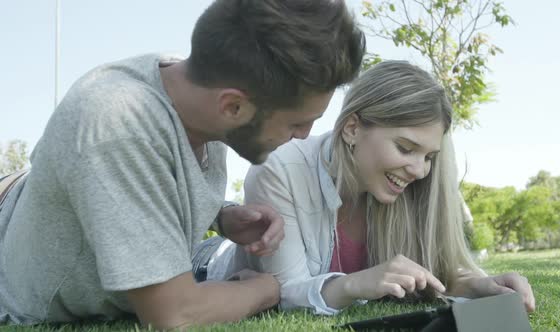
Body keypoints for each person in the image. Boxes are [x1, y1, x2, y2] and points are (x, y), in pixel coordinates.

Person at [0, 0, 365, 328]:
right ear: (233, 107)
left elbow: (145, 185)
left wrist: (221, 216)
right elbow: (175, 315)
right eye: (297, 122)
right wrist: (267, 290)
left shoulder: (200, 93)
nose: (303, 136)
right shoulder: (117, 122)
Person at [197, 60, 536, 315]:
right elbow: (283, 293)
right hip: (207, 267)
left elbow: (436, 273)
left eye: (429, 156)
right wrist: (357, 283)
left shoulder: (411, 187)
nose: (419, 170)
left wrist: (479, 285)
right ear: (352, 129)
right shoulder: (281, 167)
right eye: (405, 148)